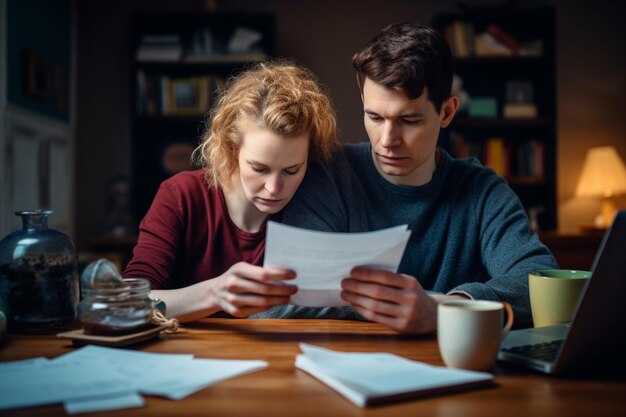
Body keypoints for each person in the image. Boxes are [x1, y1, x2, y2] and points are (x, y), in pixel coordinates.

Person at [280, 23, 558, 333]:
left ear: (447, 112)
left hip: (452, 371)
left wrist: (444, 308)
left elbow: (539, 280)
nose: (387, 139)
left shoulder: (481, 190)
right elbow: (283, 301)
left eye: (408, 120)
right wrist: (406, 308)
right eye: (374, 117)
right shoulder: (328, 175)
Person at [122, 61, 339, 322]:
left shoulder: (314, 202)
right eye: (259, 168)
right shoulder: (181, 195)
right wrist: (214, 293)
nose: (274, 188)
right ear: (231, 149)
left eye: (291, 171)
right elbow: (127, 302)